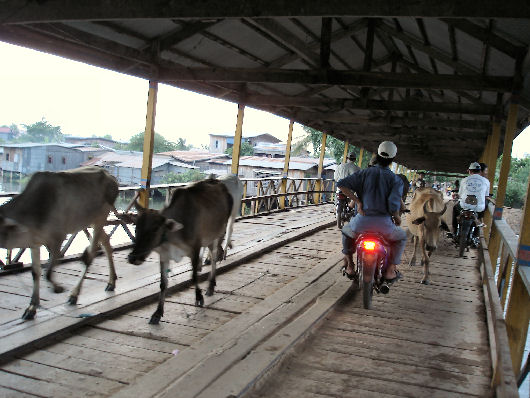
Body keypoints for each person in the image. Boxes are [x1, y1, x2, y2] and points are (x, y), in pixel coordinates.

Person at [337, 141, 407, 282]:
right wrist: (397, 217)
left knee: (346, 231)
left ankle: (350, 266)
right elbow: (394, 205)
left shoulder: (364, 173)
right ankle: (390, 270)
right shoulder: (395, 180)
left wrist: (358, 201)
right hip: (384, 225)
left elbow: (341, 185)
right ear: (392, 159)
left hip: (361, 222)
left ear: (377, 155)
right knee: (401, 237)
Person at [451, 162, 490, 236]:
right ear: (480, 171)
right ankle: (476, 234)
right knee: (481, 212)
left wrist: (457, 195)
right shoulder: (486, 181)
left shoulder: (464, 180)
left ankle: (454, 229)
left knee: (455, 208)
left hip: (464, 206)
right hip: (478, 208)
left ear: (469, 171)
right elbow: (486, 196)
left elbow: (460, 194)